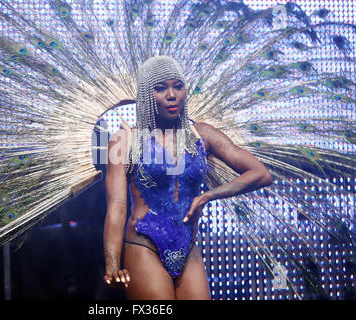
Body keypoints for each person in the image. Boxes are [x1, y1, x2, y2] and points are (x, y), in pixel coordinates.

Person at [103, 56, 273, 300]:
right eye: (161, 88)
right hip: (144, 246)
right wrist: (111, 265)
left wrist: (208, 195)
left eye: (178, 86)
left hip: (188, 247)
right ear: (145, 94)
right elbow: (117, 207)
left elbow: (261, 174)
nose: (172, 95)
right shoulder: (125, 140)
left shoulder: (200, 133)